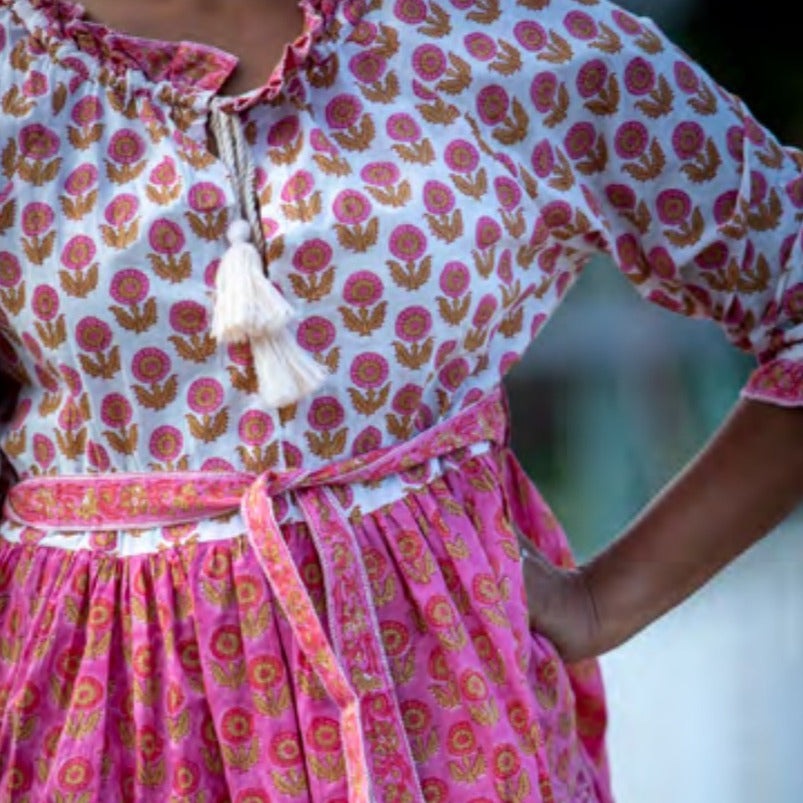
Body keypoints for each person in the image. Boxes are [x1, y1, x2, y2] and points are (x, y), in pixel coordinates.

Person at [0, 0, 801, 800]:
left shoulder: (514, 41)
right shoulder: (17, 74)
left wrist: (604, 600)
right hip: (94, 724)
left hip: (449, 723)